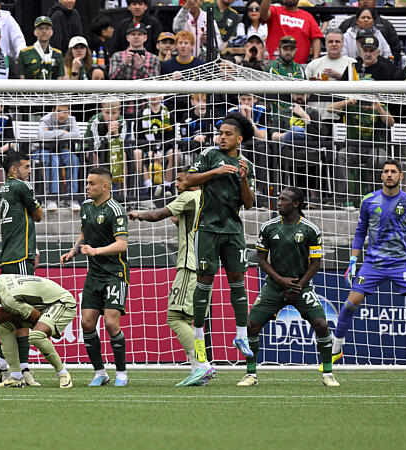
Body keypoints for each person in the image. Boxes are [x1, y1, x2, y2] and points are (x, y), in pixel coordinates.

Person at [331, 159, 406, 374]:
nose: (389, 175)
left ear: (401, 176)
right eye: (385, 171)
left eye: (393, 171)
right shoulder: (369, 201)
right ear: (381, 176)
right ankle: (336, 349)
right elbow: (360, 233)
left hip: (401, 263)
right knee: (349, 305)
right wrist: (352, 261)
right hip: (373, 264)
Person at [239, 188, 335, 387]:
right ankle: (251, 375)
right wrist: (282, 281)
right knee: (252, 326)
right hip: (274, 286)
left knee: (322, 325)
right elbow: (261, 260)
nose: (279, 202)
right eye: (279, 199)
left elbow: (316, 264)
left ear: (296, 204)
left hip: (301, 287)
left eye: (284, 200)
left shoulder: (310, 229)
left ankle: (328, 374)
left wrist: (298, 286)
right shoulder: (268, 227)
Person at [128, 171, 217, 385]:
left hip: (189, 266)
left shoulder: (188, 197)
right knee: (191, 322)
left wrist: (138, 214)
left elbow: (158, 215)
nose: (176, 184)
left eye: (181, 179)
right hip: (207, 265)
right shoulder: (210, 198)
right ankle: (199, 368)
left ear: (193, 180)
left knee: (174, 318)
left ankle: (202, 366)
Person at [181, 113, 256, 365]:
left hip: (233, 230)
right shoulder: (209, 155)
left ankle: (241, 335)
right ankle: (199, 337)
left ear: (239, 139)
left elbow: (249, 203)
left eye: (227, 134)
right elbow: (187, 181)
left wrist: (243, 178)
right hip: (208, 228)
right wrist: (216, 171)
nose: (222, 137)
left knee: (237, 280)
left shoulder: (246, 164)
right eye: (220, 133)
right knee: (204, 280)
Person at [60, 167, 129, 387]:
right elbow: (84, 234)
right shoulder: (86, 207)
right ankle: (100, 373)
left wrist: (96, 251)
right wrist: (74, 251)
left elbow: (122, 244)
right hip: (94, 274)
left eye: (91, 183)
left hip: (114, 274)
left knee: (110, 322)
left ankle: (121, 373)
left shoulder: (116, 210)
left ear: (105, 186)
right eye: (87, 183)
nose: (87, 187)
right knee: (87, 323)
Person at [0, 262, 75, 388]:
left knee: (36, 336)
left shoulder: (8, 298)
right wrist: (6, 316)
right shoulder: (0, 280)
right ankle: (16, 376)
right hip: (46, 304)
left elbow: (36, 318)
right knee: (3, 324)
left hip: (62, 303)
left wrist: (7, 315)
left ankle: (63, 374)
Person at [0, 151, 43, 385]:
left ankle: (10, 367)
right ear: (14, 170)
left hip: (11, 255)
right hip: (20, 257)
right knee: (23, 314)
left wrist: (36, 249)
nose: (29, 171)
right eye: (26, 166)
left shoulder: (5, 188)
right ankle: (15, 368)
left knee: (16, 314)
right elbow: (38, 216)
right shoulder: (22, 186)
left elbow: (25, 222)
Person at [328, 92, 394, 203]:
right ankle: (344, 197)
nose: (366, 100)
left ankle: (376, 195)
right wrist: (347, 102)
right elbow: (329, 109)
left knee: (381, 159)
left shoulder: (379, 105)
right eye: (364, 95)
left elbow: (391, 123)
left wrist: (379, 109)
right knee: (341, 156)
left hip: (374, 147)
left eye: (369, 95)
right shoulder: (351, 104)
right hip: (353, 147)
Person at [36, 104, 81, 210]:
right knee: (53, 160)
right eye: (59, 111)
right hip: (42, 149)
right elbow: (42, 136)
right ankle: (51, 198)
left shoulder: (72, 119)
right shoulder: (45, 119)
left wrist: (52, 134)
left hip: (61, 149)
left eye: (65, 111)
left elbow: (76, 135)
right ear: (53, 110)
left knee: (73, 159)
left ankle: (71, 198)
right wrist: (61, 132)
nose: (62, 114)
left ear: (69, 112)